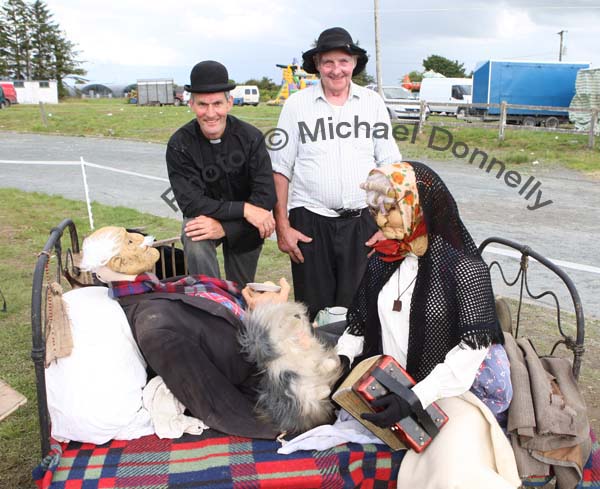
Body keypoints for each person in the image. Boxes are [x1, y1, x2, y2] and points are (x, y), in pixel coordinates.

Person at [336, 162, 517, 488]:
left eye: (390, 210)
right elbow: (359, 324)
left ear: (418, 207)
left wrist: (416, 396)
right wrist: (343, 358)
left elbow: (470, 353)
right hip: (391, 384)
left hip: (451, 392)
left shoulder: (465, 268)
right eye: (375, 210)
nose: (379, 220)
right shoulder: (384, 259)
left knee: (452, 472)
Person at [79, 226, 341, 439]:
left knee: (355, 328)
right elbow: (208, 396)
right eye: (129, 240)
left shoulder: (155, 289)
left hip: (276, 346)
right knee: (360, 342)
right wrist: (282, 428)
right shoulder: (156, 327)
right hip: (282, 377)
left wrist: (248, 303)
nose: (141, 238)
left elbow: (212, 308)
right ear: (117, 262)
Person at [269, 27, 402, 320]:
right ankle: (315, 367)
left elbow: (389, 165)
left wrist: (387, 225)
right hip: (310, 223)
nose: (336, 70)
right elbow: (280, 169)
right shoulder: (296, 106)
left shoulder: (372, 103)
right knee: (314, 314)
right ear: (317, 64)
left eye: (343, 61)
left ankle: (355, 367)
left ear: (354, 62)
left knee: (361, 313)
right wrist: (283, 227)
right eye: (328, 62)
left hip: (361, 224)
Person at [167, 60, 276, 286]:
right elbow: (191, 203)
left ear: (230, 103)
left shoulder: (251, 138)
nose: (210, 113)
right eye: (202, 104)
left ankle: (238, 305)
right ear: (191, 104)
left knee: (241, 290)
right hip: (213, 216)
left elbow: (265, 197)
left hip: (245, 225)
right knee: (193, 233)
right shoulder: (180, 144)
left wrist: (227, 228)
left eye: (217, 103)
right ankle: (210, 299)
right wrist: (244, 209)